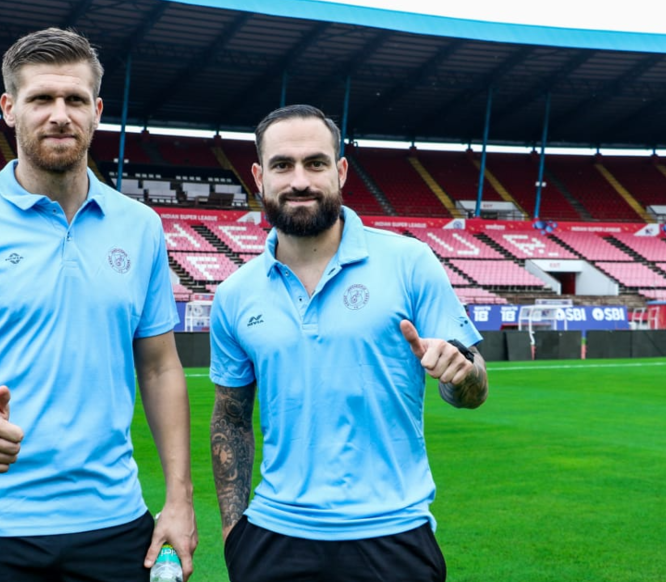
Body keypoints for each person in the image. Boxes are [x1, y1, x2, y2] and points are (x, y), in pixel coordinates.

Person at [0, 28, 197, 582]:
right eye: (41, 99)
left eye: (75, 99)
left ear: (97, 110)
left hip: (114, 523)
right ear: (10, 108)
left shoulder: (141, 226)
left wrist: (179, 499)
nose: (59, 114)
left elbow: (159, 368)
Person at [209, 104, 488, 582]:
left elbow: (472, 389)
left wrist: (463, 374)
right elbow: (230, 418)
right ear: (259, 177)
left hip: (394, 535)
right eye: (282, 165)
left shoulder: (409, 262)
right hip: (274, 538)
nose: (300, 180)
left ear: (340, 171)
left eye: (315, 164)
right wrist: (236, 532)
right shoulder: (234, 294)